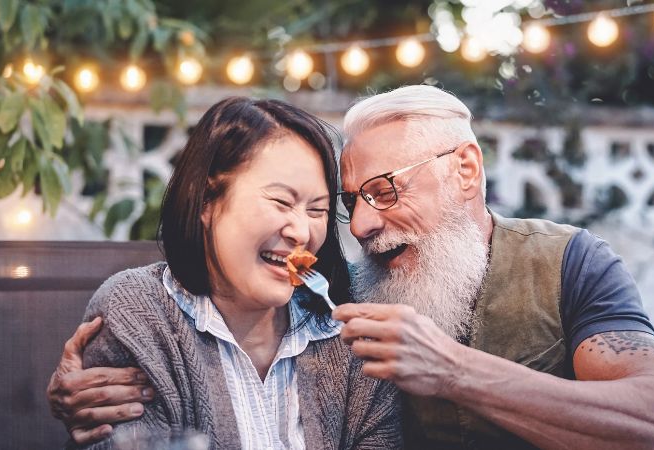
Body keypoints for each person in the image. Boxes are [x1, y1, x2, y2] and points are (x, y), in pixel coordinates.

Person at [48, 86, 654, 449]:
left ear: (466, 170)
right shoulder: (346, 303)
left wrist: (453, 370)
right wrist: (81, 407)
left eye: (385, 190)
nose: (358, 226)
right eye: (352, 202)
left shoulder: (570, 263)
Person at [51, 96, 401, 449]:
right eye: (281, 201)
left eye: (317, 209)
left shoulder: (351, 331)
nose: (302, 232)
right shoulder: (138, 313)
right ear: (206, 200)